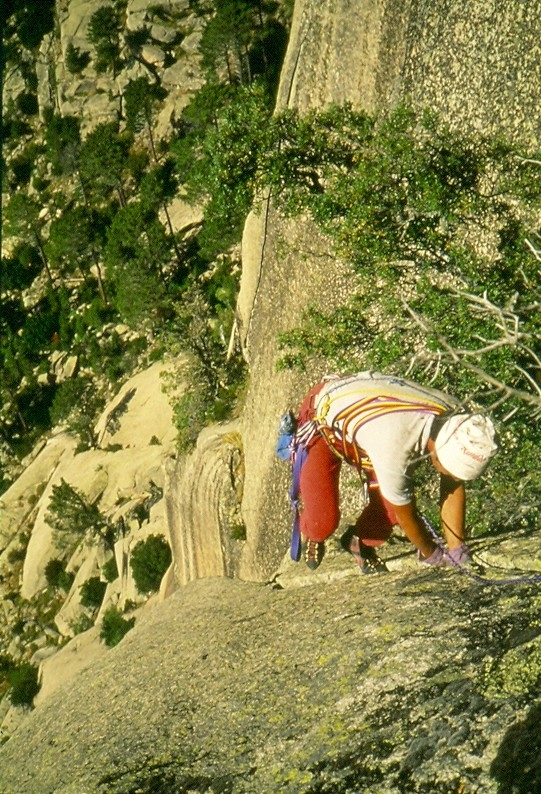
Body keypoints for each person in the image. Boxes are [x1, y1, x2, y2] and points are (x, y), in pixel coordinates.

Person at [292, 371, 498, 573]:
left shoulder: (456, 421)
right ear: (436, 454)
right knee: (323, 522)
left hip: (365, 418)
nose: (453, 477)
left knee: (388, 510)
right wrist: (431, 553)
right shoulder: (395, 446)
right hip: (322, 422)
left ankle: (358, 542)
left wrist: (457, 549)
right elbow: (406, 513)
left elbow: (452, 485)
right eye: (452, 471)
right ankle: (314, 535)